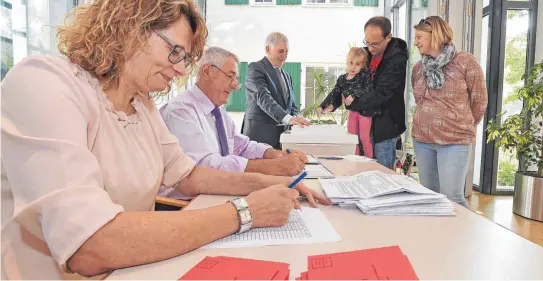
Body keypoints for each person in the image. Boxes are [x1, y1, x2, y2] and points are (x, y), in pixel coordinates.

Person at [0, 1, 327, 277]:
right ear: (129, 26)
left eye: (185, 58)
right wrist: (245, 211)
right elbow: (88, 245)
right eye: (176, 52)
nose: (181, 70)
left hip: (131, 268)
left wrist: (270, 184)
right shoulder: (44, 83)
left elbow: (188, 175)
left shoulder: (141, 104)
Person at [158, 46, 310, 201]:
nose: (235, 86)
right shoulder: (181, 111)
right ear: (207, 71)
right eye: (230, 77)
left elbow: (241, 146)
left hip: (215, 195)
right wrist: (273, 167)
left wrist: (275, 154)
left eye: (236, 79)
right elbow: (204, 168)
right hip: (183, 205)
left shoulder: (218, 112)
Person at [411, 16, 487, 208]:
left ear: (434, 35)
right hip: (422, 140)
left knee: (452, 197)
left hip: (455, 141)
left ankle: (463, 238)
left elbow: (479, 100)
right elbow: (419, 100)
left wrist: (463, 124)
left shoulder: (465, 61)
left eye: (420, 37)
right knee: (430, 197)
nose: (416, 42)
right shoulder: (419, 68)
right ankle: (436, 237)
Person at [343, 16, 409, 169]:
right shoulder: (365, 54)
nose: (370, 47)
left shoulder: (396, 59)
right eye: (367, 42)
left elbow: (382, 92)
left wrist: (353, 103)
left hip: (385, 127)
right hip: (365, 124)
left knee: (382, 175)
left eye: (375, 43)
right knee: (362, 172)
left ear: (388, 37)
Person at [242, 32, 310, 149]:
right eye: (280, 51)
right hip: (260, 137)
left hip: (281, 139)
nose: (284, 55)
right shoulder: (255, 68)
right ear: (268, 49)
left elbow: (291, 105)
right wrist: (289, 119)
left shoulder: (287, 75)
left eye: (286, 52)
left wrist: (297, 119)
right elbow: (263, 98)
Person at [318, 47, 379, 158]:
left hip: (365, 112)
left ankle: (369, 160)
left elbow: (369, 88)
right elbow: (334, 93)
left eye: (357, 64)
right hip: (353, 112)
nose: (353, 67)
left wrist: (353, 95)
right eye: (351, 63)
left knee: (364, 138)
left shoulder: (364, 76)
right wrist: (323, 106)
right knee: (352, 137)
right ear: (347, 61)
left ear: (362, 65)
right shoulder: (342, 79)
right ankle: (354, 158)